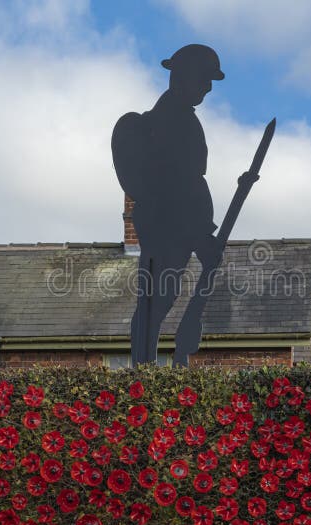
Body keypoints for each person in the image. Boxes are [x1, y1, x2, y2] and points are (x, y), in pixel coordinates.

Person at [112, 44, 229, 366]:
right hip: (169, 226)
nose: (207, 87)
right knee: (156, 301)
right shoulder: (171, 121)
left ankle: (149, 365)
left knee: (160, 298)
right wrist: (201, 235)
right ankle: (145, 370)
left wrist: (202, 233)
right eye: (204, 79)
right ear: (183, 76)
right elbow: (178, 186)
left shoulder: (180, 119)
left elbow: (189, 183)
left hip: (178, 225)